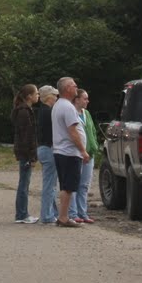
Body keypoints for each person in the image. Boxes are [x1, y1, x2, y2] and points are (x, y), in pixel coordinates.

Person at [50, 76, 89, 229]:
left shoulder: (59, 105)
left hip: (61, 151)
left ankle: (63, 215)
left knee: (66, 185)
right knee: (68, 185)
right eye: (73, 85)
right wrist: (83, 150)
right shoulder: (67, 107)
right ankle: (64, 217)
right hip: (69, 152)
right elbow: (73, 131)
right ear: (67, 89)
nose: (76, 87)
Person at [73, 88, 101, 224]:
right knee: (74, 184)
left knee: (84, 185)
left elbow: (92, 130)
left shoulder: (87, 113)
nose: (87, 101)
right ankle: (73, 212)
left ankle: (83, 212)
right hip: (77, 153)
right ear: (77, 100)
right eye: (85, 98)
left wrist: (94, 145)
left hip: (89, 153)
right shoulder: (72, 113)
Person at [12, 84, 39, 223]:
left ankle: (22, 213)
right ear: (29, 96)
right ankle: (22, 214)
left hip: (24, 152)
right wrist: (32, 156)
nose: (37, 96)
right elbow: (27, 136)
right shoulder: (24, 112)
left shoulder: (26, 110)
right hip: (25, 153)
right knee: (24, 183)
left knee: (24, 182)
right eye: (36, 93)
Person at [34, 83, 60, 224]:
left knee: (51, 183)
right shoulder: (49, 112)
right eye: (55, 95)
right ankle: (46, 215)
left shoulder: (43, 111)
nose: (56, 97)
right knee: (50, 185)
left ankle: (52, 212)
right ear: (48, 97)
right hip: (48, 149)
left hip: (44, 148)